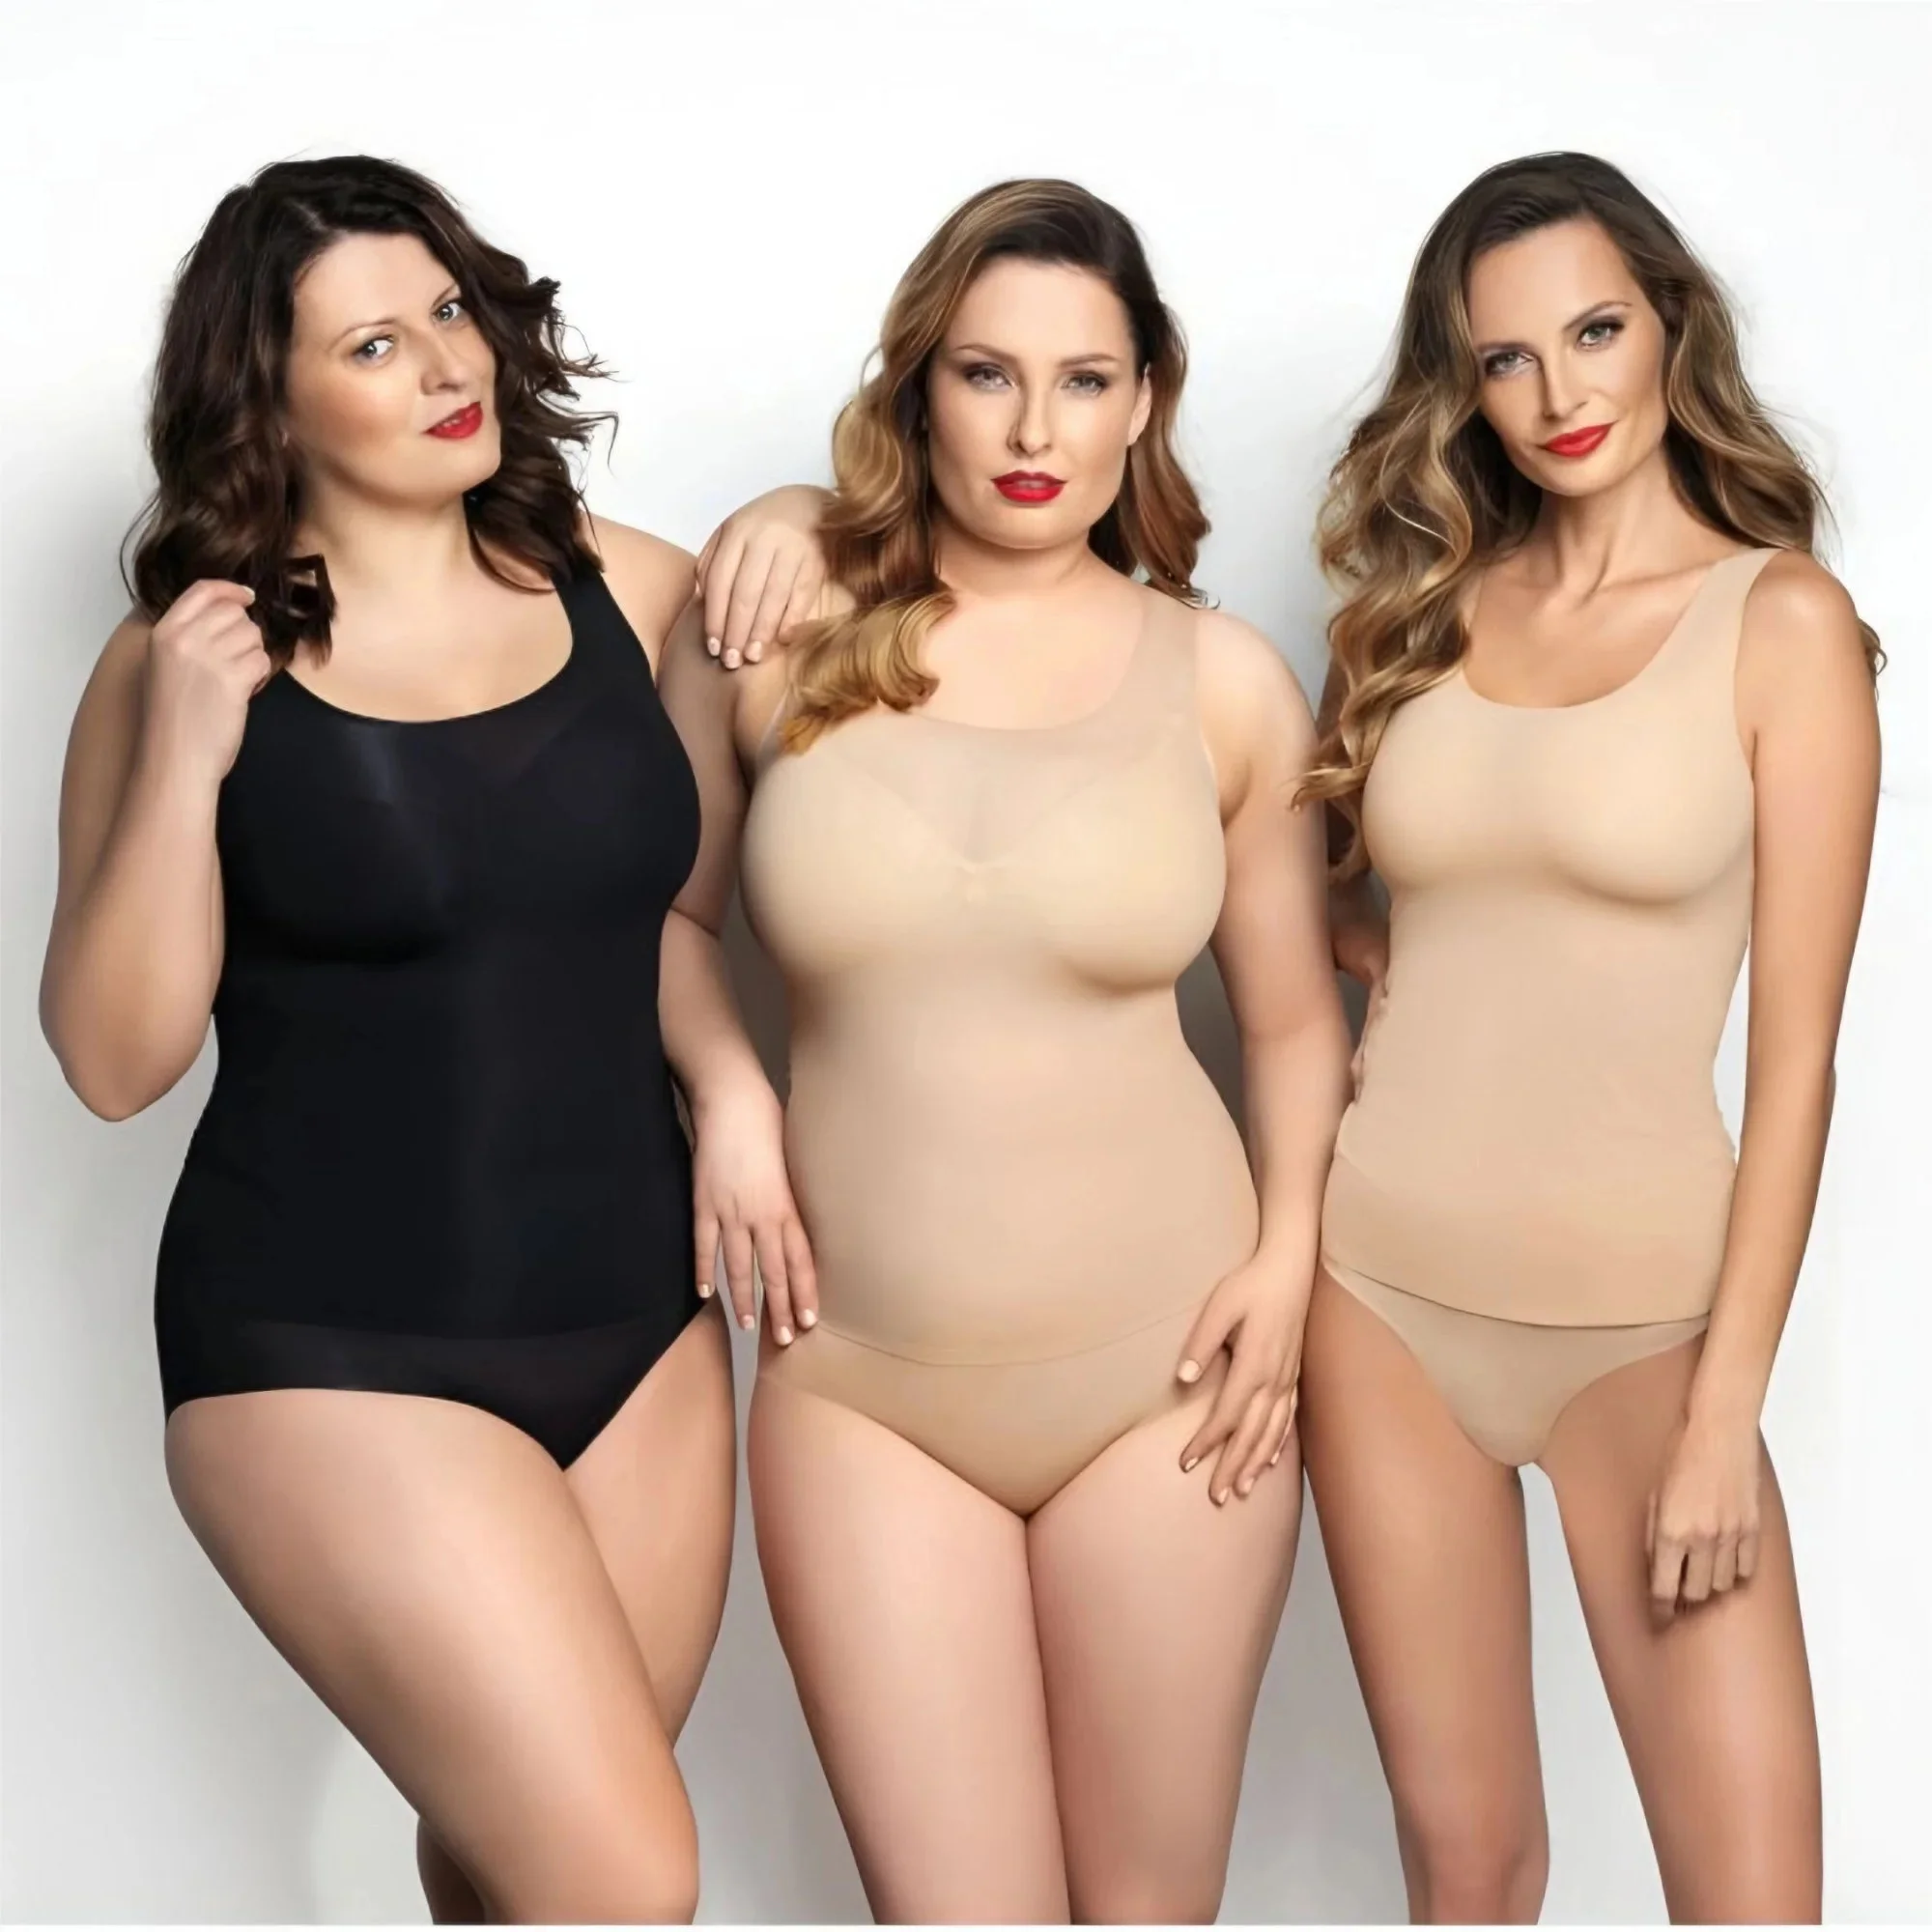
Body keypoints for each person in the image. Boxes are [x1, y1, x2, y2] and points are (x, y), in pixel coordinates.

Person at [39, 156, 805, 1925]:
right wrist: (187, 754)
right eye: (373, 344)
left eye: (450, 310)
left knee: (513, 1874)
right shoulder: (179, 662)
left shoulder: (631, 588)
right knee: (621, 1883)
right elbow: (113, 1062)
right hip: (323, 1347)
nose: (449, 363)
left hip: (641, 1328)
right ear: (268, 401)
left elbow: (698, 886)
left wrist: (791, 505)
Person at [660, 178, 1350, 1922]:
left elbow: (1291, 1023)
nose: (1037, 431)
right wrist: (728, 1090)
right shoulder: (776, 638)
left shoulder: (1225, 682)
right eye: (988, 375)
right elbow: (655, 923)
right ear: (920, 389)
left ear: (1145, 399)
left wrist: (1286, 1262)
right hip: (859, 1388)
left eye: (1085, 380)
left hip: (1172, 1380)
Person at [1297, 152, 1880, 1923]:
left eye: (1597, 331)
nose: (1559, 392)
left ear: (1672, 325)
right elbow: (1292, 887)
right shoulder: (1416, 618)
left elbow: (1800, 1062)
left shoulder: (1780, 624)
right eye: (1506, 357)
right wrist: (1369, 955)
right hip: (1380, 1297)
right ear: (1461, 385)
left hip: (1648, 1330)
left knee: (1755, 1899)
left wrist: (1725, 1417)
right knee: (1468, 1874)